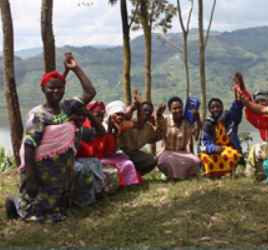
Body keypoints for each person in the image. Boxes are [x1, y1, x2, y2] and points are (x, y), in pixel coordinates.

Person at [5, 53, 96, 222]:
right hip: (41, 171)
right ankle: (15, 203)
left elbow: (90, 92)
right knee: (34, 212)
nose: (56, 91)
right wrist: (31, 179)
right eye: (51, 88)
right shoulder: (39, 116)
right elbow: (29, 146)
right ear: (43, 89)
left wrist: (75, 68)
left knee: (58, 206)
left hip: (62, 169)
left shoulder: (67, 107)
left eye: (59, 88)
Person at [232, 72, 268, 180]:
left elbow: (255, 113)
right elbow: (251, 112)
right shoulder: (261, 116)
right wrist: (242, 88)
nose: (260, 103)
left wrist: (243, 94)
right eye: (257, 101)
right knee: (258, 148)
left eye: (263, 100)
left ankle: (260, 174)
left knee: (259, 148)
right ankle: (253, 173)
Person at [157, 96, 201, 180]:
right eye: (174, 108)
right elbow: (159, 126)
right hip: (168, 151)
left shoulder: (188, 121)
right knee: (163, 162)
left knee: (196, 162)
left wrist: (198, 120)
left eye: (180, 107)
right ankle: (170, 175)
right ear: (170, 110)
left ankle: (177, 175)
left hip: (182, 152)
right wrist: (158, 114)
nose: (178, 110)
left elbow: (196, 137)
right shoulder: (166, 120)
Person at [199, 94, 244, 177]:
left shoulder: (229, 118)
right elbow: (204, 143)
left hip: (229, 148)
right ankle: (212, 174)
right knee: (204, 157)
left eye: (218, 107)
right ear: (209, 110)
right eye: (213, 107)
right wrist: (214, 148)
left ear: (222, 107)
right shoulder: (208, 124)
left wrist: (238, 102)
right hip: (214, 149)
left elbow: (236, 113)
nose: (215, 109)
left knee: (231, 154)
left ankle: (229, 173)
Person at [117, 98, 164, 176]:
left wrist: (159, 116)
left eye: (149, 111)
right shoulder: (129, 121)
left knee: (153, 160)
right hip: (120, 153)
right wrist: (132, 107)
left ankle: (136, 175)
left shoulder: (148, 128)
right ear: (139, 110)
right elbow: (121, 118)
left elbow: (159, 136)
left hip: (134, 155)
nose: (147, 113)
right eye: (144, 110)